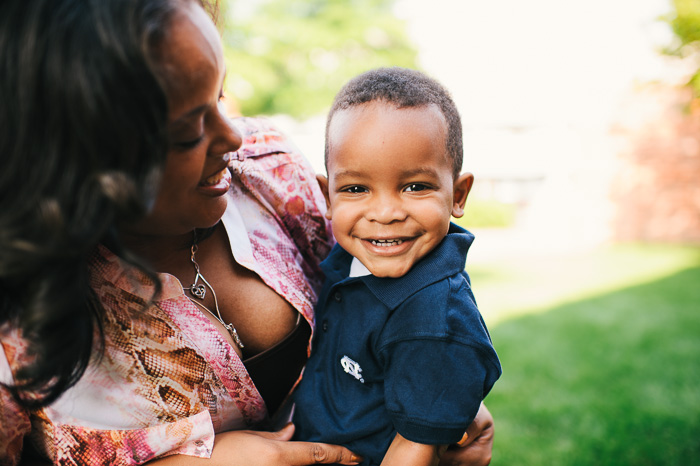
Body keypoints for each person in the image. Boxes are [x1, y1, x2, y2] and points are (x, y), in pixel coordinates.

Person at [0, 1, 495, 465]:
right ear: (80, 158)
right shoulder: (15, 320)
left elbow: (383, 307)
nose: (233, 136)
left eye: (218, 94)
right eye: (188, 130)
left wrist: (433, 392)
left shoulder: (267, 170)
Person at [291, 67, 502, 466]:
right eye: (356, 189)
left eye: (415, 186)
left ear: (458, 195)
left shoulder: (434, 320)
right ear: (328, 198)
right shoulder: (345, 263)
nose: (385, 213)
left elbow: (415, 447)